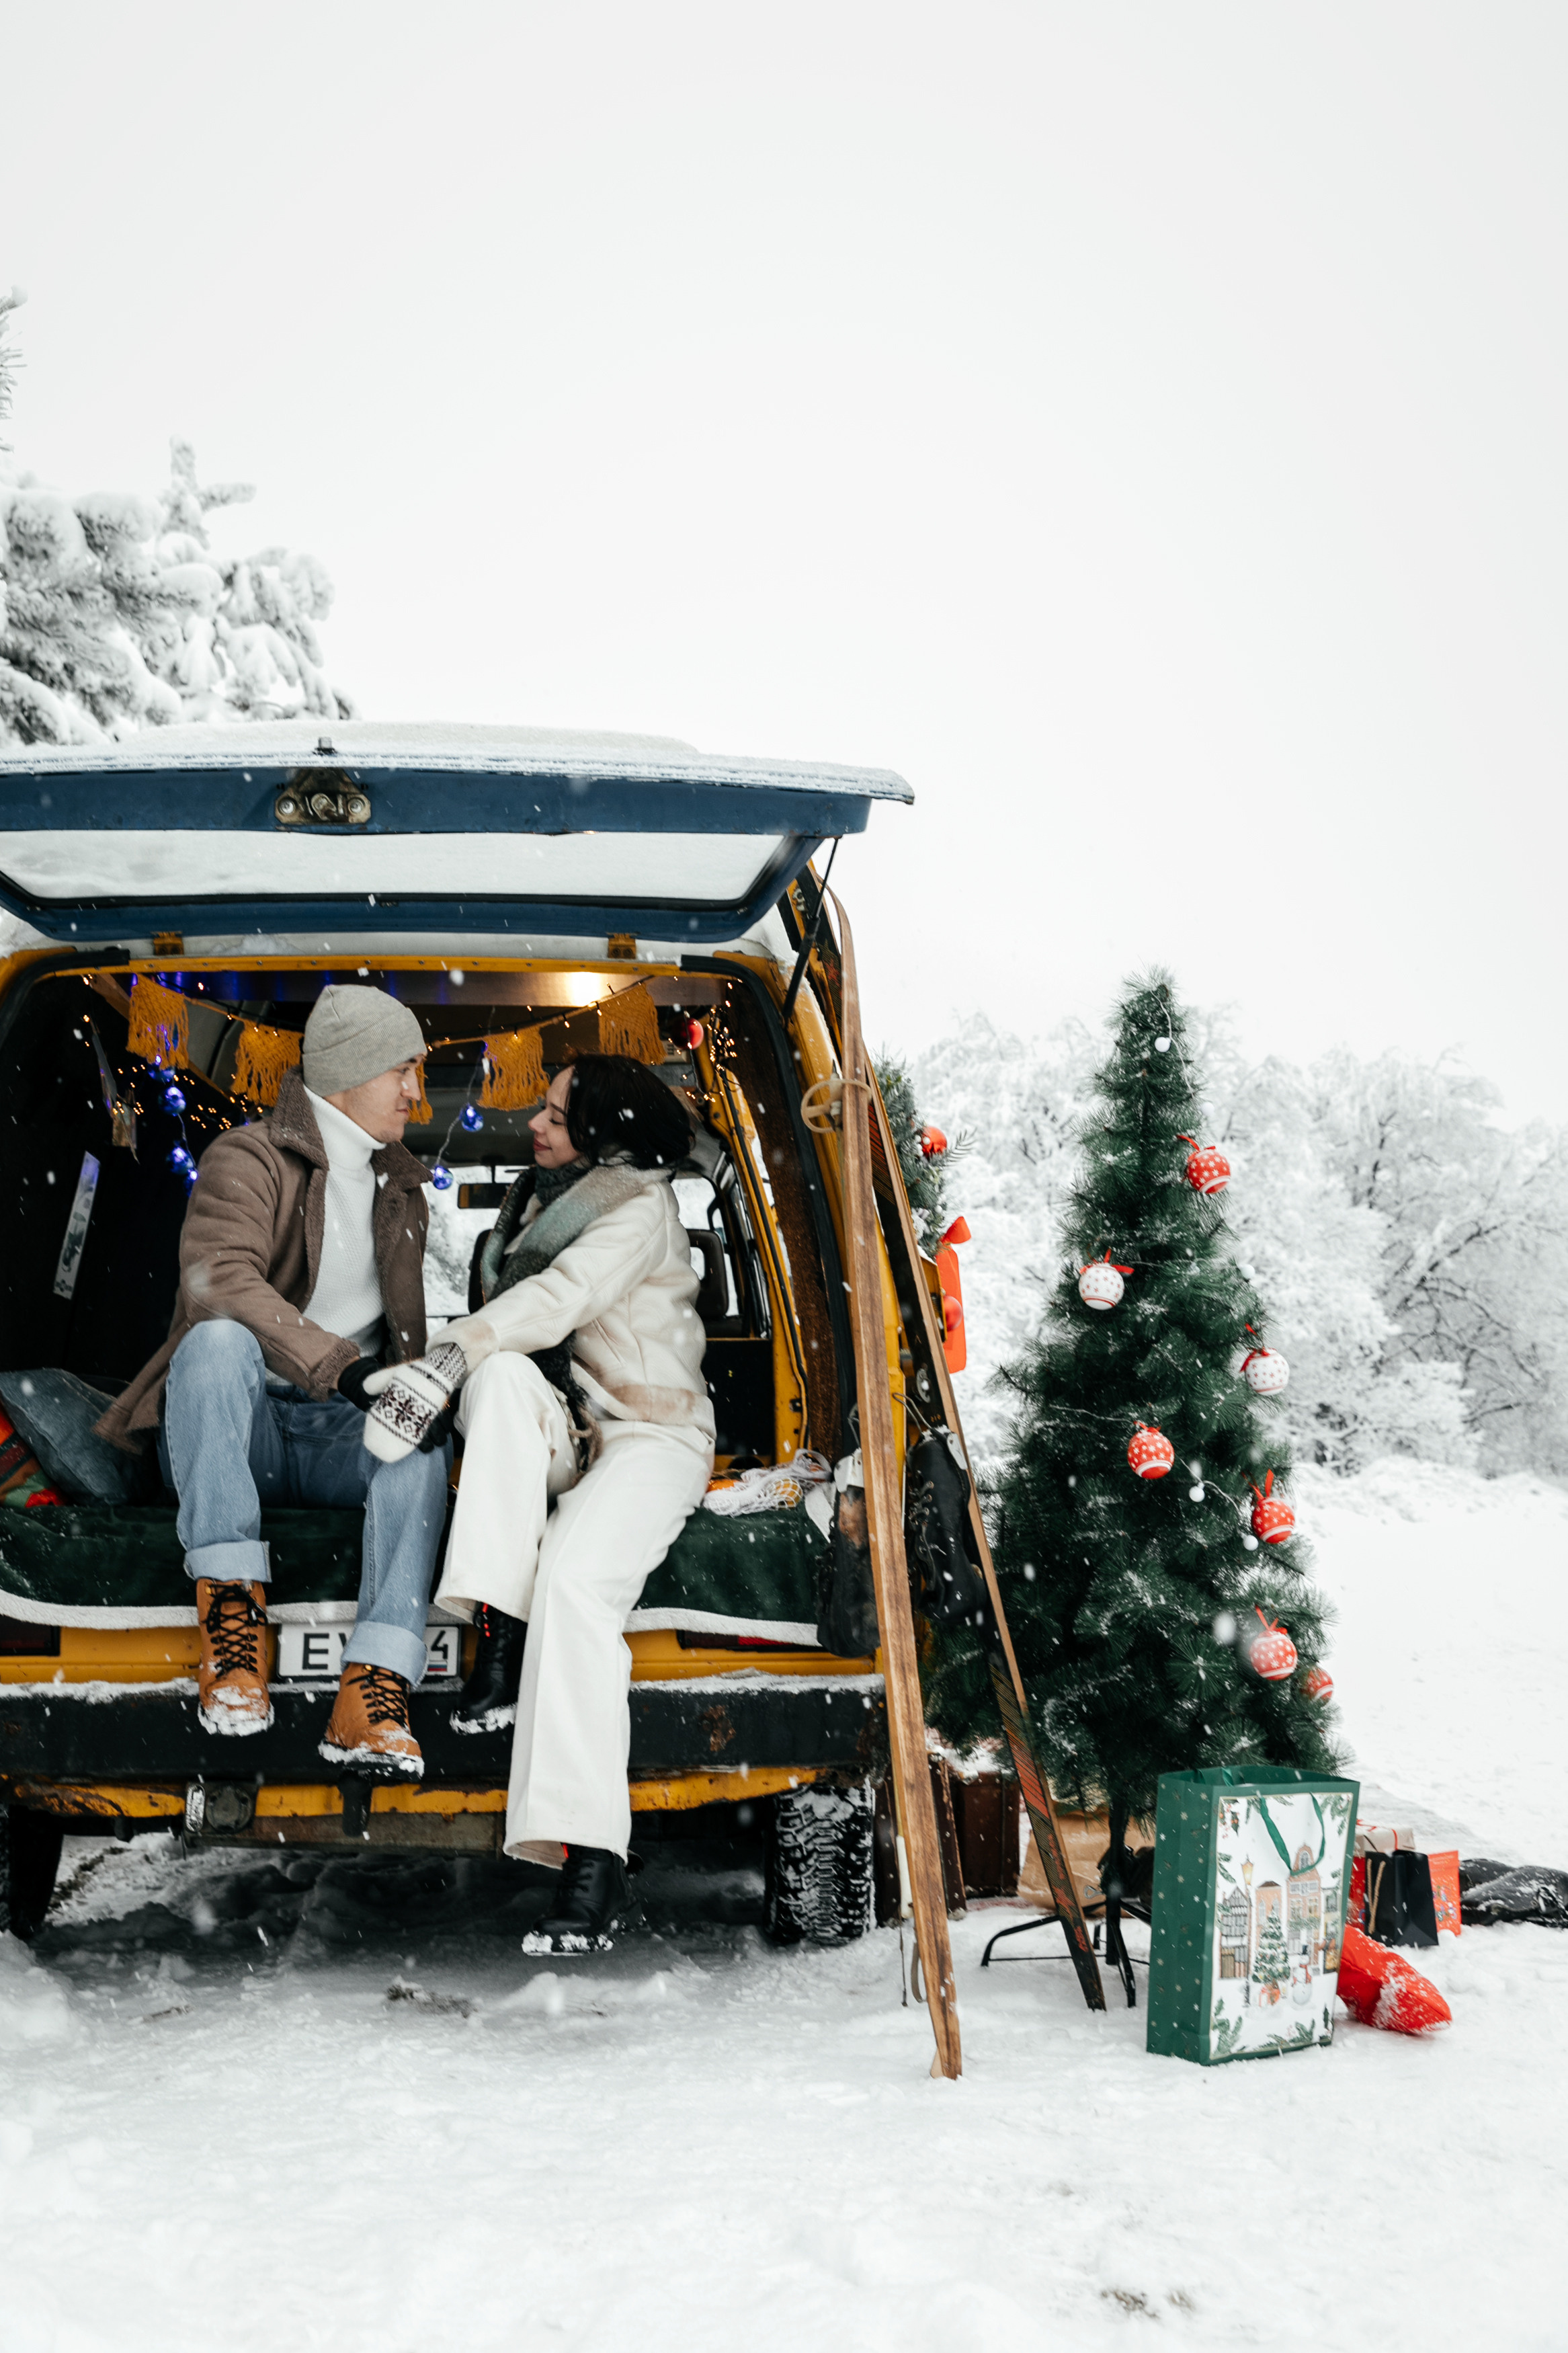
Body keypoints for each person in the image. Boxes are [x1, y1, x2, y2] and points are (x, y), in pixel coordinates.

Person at [361, 1053, 713, 1951]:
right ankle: (499, 1637)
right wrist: (466, 1360)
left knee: (574, 1585)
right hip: (572, 1429)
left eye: (557, 1113)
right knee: (506, 1379)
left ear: (606, 1134)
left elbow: (560, 1299)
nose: (538, 1124)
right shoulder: (537, 1205)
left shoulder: (635, 1209)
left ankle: (590, 1852)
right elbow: (524, 1335)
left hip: (648, 1437)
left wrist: (447, 1354)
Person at [97, 984, 451, 1778]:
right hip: (235, 1425)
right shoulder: (247, 1157)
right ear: (351, 1069)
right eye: (403, 1068)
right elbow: (216, 1277)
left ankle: (373, 1689)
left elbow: (399, 1341)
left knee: (420, 1440)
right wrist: (346, 1367)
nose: (415, 1091)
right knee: (217, 1338)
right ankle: (233, 1629)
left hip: (333, 1437)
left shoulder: (402, 1189)